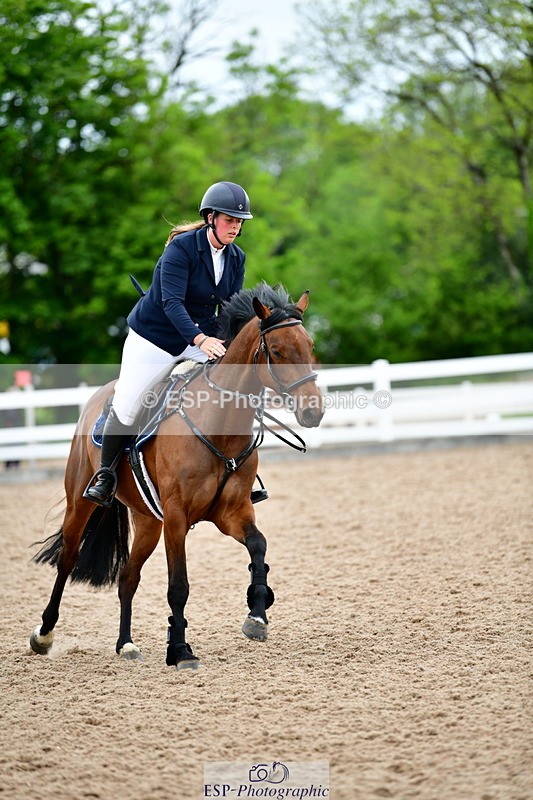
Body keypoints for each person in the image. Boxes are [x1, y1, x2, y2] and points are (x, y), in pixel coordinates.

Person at [84, 181, 253, 507]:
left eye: (239, 221)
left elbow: (229, 308)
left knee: (232, 383)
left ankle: (239, 470)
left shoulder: (236, 257)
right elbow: (172, 303)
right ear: (210, 218)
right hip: (155, 337)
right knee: (128, 403)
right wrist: (201, 339)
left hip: (199, 337)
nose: (235, 226)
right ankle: (105, 476)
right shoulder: (182, 249)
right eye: (230, 220)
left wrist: (224, 342)